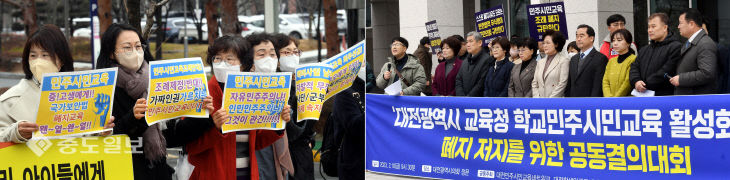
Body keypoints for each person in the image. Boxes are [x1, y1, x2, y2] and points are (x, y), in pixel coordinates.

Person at [95, 23, 216, 180]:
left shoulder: (157, 84)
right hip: (123, 172)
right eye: (127, 47)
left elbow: (171, 136)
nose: (135, 52)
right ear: (111, 53)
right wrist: (132, 118)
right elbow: (101, 141)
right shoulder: (103, 90)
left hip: (157, 173)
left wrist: (204, 116)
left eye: (138, 46)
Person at [185, 34, 293, 180]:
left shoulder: (250, 93)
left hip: (247, 175)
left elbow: (257, 142)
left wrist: (278, 123)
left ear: (242, 65)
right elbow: (190, 147)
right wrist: (215, 128)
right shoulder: (201, 94)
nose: (222, 63)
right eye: (217, 58)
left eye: (229, 59)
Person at [0, 25, 115, 143]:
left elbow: (89, 140)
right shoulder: (10, 100)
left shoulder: (81, 95)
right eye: (33, 56)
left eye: (45, 55)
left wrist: (101, 131)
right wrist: (15, 133)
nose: (38, 62)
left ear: (61, 60)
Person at [272, 33, 315, 180]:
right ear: (276, 58)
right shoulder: (273, 85)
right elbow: (291, 130)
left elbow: (308, 123)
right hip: (283, 154)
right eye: (286, 52)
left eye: (295, 52)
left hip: (302, 155)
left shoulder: (302, 82)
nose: (292, 55)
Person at [629, 13, 682, 96]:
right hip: (641, 96)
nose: (649, 30)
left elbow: (667, 70)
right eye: (649, 27)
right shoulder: (644, 49)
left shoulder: (675, 47)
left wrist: (644, 85)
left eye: (653, 26)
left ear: (665, 28)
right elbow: (634, 67)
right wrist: (636, 81)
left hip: (664, 98)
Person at [672, 8, 718, 95]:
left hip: (697, 102)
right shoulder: (690, 42)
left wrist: (681, 79)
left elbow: (707, 73)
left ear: (691, 24)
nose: (678, 26)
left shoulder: (705, 43)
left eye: (681, 23)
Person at [566, 24, 608, 97]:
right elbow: (570, 83)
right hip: (573, 103)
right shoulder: (574, 59)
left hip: (590, 102)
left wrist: (592, 103)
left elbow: (597, 86)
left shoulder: (600, 58)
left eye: (581, 36)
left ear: (591, 38)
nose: (578, 39)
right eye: (577, 36)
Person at [532, 30, 570, 97]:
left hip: (555, 102)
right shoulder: (540, 62)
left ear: (556, 44)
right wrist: (537, 99)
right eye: (543, 43)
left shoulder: (564, 61)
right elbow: (535, 83)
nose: (545, 46)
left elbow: (562, 84)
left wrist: (550, 101)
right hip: (539, 103)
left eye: (548, 43)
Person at [455, 31, 494, 96]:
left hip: (477, 102)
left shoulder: (487, 60)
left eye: (471, 41)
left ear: (480, 43)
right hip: (462, 102)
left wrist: (469, 98)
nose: (468, 44)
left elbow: (481, 84)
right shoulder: (465, 61)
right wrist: (461, 97)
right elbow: (458, 80)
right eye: (467, 42)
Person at [602, 29, 636, 97]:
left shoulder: (633, 59)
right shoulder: (611, 61)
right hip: (610, 101)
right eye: (613, 40)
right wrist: (609, 97)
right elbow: (605, 81)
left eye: (619, 40)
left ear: (628, 43)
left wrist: (616, 99)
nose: (615, 43)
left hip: (626, 101)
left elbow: (627, 82)